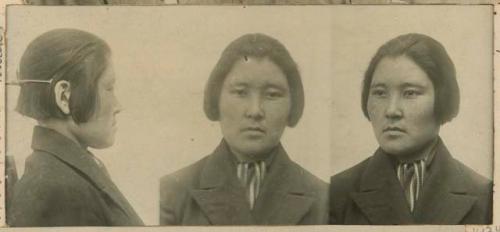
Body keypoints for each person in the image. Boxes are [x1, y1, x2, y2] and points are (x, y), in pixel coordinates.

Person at [159, 33, 328, 225]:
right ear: (216, 100)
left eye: (272, 95)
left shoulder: (324, 198)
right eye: (240, 93)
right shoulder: (172, 193)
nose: (255, 111)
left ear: (293, 105)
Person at [329, 33, 492, 225]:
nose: (391, 110)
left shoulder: (486, 195)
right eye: (380, 93)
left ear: (443, 99)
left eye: (410, 93)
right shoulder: (335, 193)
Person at [8, 28, 144, 226]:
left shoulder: (63, 174)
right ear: (64, 96)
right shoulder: (57, 190)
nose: (118, 106)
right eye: (109, 88)